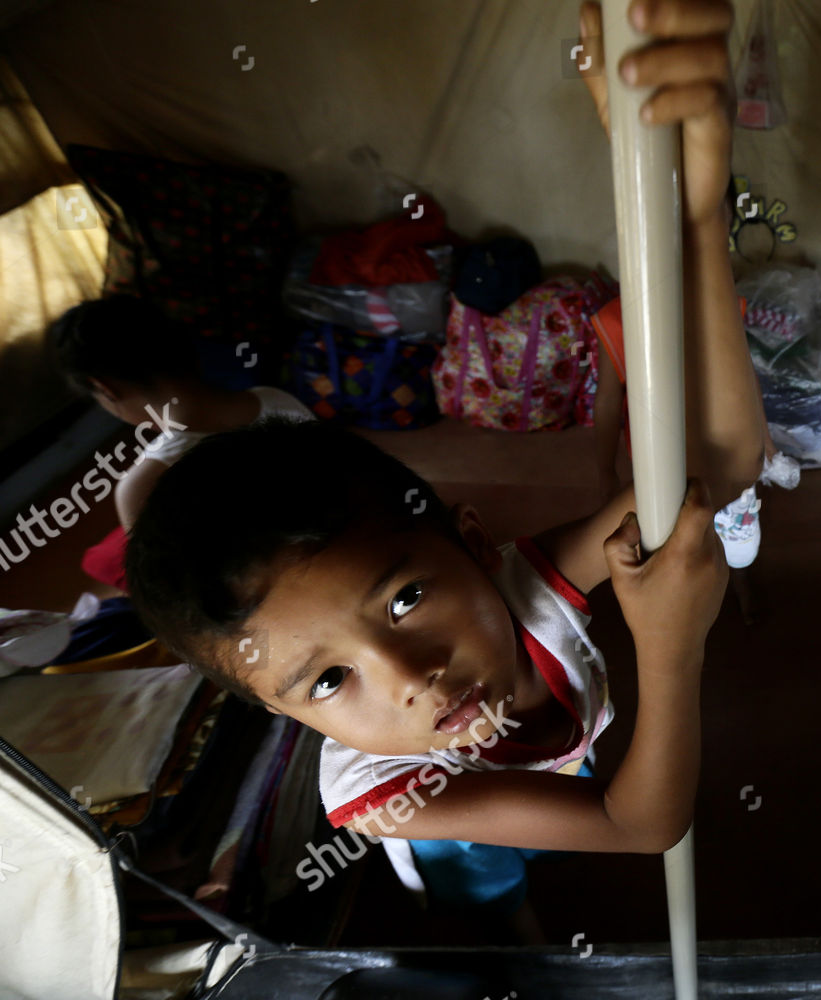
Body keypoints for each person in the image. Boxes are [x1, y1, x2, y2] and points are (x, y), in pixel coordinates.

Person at [125, 0, 763, 934]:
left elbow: (718, 471)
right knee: (501, 913)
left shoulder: (519, 587)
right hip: (466, 839)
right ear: (291, 720)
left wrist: (699, 213)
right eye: (328, 683)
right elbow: (641, 824)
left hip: (557, 765)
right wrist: (673, 646)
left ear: (471, 540)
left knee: (564, 814)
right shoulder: (386, 791)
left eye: (404, 600)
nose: (409, 674)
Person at [46, 294, 313, 590]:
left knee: (106, 560)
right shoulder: (275, 398)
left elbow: (173, 594)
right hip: (334, 547)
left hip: (269, 597)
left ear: (104, 388)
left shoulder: (143, 485)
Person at [592, 297, 800, 624]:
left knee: (736, 541)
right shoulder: (617, 318)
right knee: (666, 540)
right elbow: (607, 400)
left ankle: (740, 582)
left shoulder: (717, 302)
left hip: (728, 451)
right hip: (658, 464)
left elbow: (745, 378)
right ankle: (682, 614)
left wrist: (768, 444)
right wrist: (605, 470)